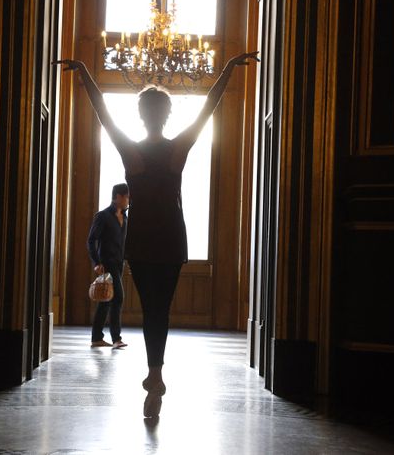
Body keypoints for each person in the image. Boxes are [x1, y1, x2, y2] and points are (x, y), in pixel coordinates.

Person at [56, 51, 258, 418]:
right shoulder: (176, 150)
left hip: (142, 241)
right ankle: (155, 373)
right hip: (172, 240)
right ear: (166, 115)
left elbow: (103, 112)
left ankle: (154, 373)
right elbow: (208, 107)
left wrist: (85, 72)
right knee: (161, 310)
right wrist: (227, 68)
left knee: (150, 309)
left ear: (140, 115)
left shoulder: (131, 151)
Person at [87, 183, 130, 349]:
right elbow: (91, 240)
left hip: (119, 263)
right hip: (106, 264)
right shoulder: (103, 216)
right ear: (118, 197)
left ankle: (96, 337)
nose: (128, 200)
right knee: (118, 297)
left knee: (106, 300)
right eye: (127, 196)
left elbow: (123, 243)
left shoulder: (125, 218)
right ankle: (116, 338)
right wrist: (96, 262)